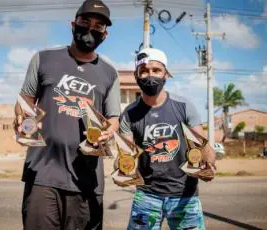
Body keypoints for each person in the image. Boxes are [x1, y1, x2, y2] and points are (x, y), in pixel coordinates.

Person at [13, 1, 121, 229]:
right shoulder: (43, 59)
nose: (91, 29)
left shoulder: (110, 74)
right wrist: (23, 120)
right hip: (42, 173)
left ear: (105, 35)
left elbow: (113, 119)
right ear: (74, 24)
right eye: (85, 22)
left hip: (87, 181)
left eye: (98, 26)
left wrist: (108, 133)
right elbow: (25, 100)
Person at [118, 48, 216, 230]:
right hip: (146, 196)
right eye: (144, 71)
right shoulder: (129, 114)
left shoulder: (184, 107)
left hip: (185, 195)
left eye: (156, 70)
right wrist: (123, 170)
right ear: (136, 75)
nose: (150, 75)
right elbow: (127, 154)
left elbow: (203, 148)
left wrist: (209, 166)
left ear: (166, 74)